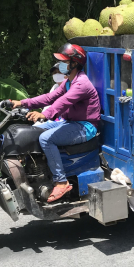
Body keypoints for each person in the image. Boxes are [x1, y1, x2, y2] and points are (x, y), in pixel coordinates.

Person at [9, 43, 101, 202]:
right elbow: (49, 98)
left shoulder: (82, 84)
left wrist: (44, 114)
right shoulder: (69, 82)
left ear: (74, 64)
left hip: (85, 127)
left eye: (64, 62)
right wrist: (23, 103)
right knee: (36, 131)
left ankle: (61, 181)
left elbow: (63, 102)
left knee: (46, 138)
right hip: (70, 122)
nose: (61, 65)